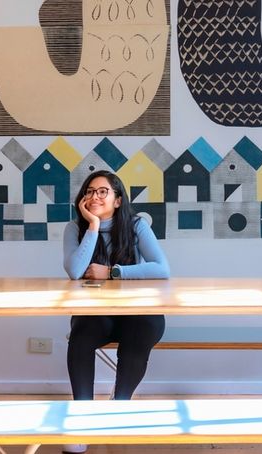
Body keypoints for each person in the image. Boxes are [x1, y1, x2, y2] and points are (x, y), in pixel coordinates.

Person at [61, 170, 170, 453]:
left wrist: (112, 272)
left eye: (102, 191)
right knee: (81, 337)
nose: (93, 196)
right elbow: (74, 271)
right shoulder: (75, 229)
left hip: (134, 313)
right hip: (97, 315)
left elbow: (162, 268)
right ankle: (81, 419)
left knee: (147, 326)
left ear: (118, 200)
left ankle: (118, 406)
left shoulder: (137, 226)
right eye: (89, 191)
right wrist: (94, 226)